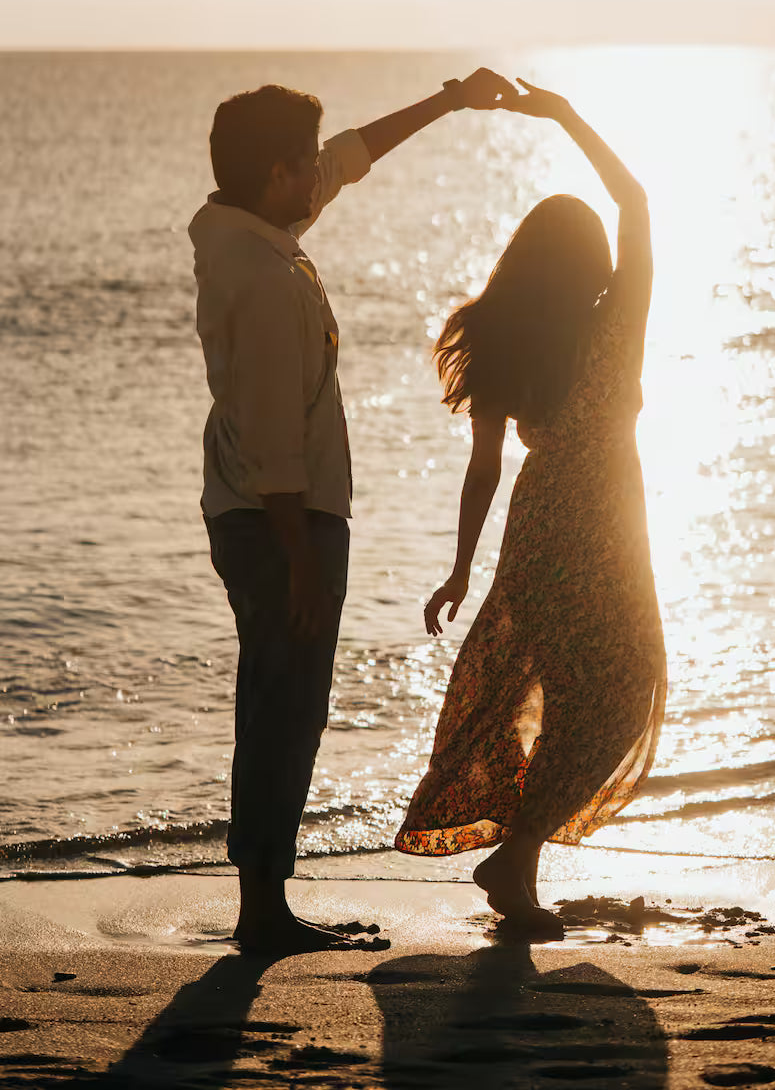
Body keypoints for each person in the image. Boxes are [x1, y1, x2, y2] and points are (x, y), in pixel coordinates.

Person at [189, 68, 515, 954]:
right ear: (274, 176)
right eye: (304, 163)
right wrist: (299, 558)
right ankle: (264, 910)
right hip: (278, 523)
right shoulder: (261, 275)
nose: (318, 173)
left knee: (281, 704)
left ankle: (265, 900)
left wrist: (449, 100)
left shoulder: (257, 230)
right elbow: (272, 437)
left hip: (269, 515)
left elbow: (348, 157)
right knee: (285, 711)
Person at [395, 79, 667, 938]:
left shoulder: (508, 335)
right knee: (618, 695)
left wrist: (462, 569)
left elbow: (484, 468)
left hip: (541, 524)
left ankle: (517, 868)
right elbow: (636, 198)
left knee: (566, 696)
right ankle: (515, 858)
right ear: (589, 264)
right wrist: (564, 116)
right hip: (606, 526)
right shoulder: (617, 322)